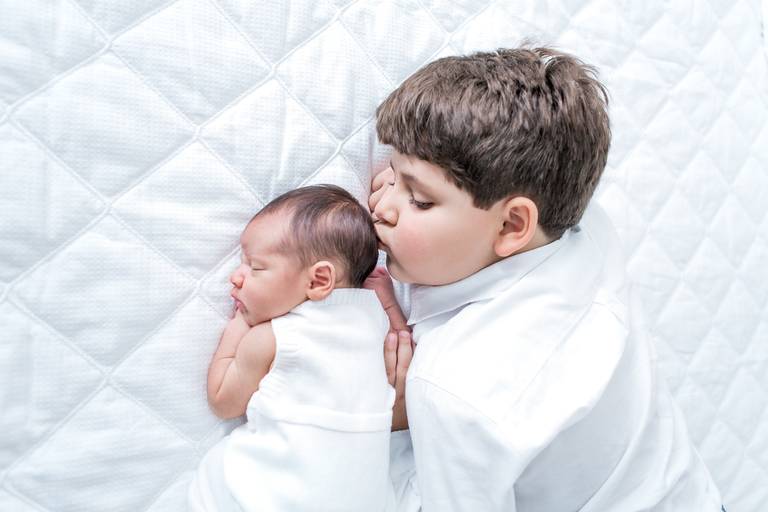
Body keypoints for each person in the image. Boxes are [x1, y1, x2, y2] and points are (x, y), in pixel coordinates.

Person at [367, 47, 724, 511]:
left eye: (419, 199)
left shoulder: (453, 391)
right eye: (391, 175)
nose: (381, 206)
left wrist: (398, 426)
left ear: (512, 225)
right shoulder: (586, 227)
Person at [188, 184, 396, 512]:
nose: (236, 277)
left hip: (277, 497)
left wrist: (240, 324)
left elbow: (222, 401)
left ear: (318, 281)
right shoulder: (375, 320)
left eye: (255, 267)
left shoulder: (274, 339)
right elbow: (398, 335)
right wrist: (389, 300)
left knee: (218, 476)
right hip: (365, 500)